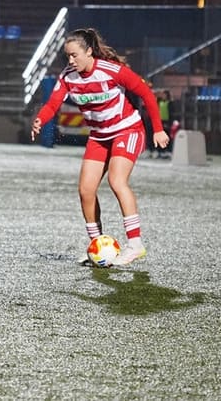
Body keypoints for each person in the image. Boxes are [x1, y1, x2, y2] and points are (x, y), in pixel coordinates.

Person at [30, 28, 169, 266]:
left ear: (89, 51)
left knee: (117, 181)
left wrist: (157, 128)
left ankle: (135, 244)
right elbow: (53, 103)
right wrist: (41, 119)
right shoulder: (68, 76)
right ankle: (97, 245)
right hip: (99, 136)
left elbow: (145, 92)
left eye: (74, 55)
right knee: (86, 190)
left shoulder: (111, 71)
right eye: (68, 57)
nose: (71, 60)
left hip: (127, 130)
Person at [156, 90, 173, 159]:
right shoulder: (159, 102)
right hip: (160, 121)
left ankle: (167, 151)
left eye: (164, 95)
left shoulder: (169, 103)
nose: (163, 96)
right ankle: (160, 151)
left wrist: (169, 123)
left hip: (167, 121)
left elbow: (171, 113)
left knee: (167, 136)